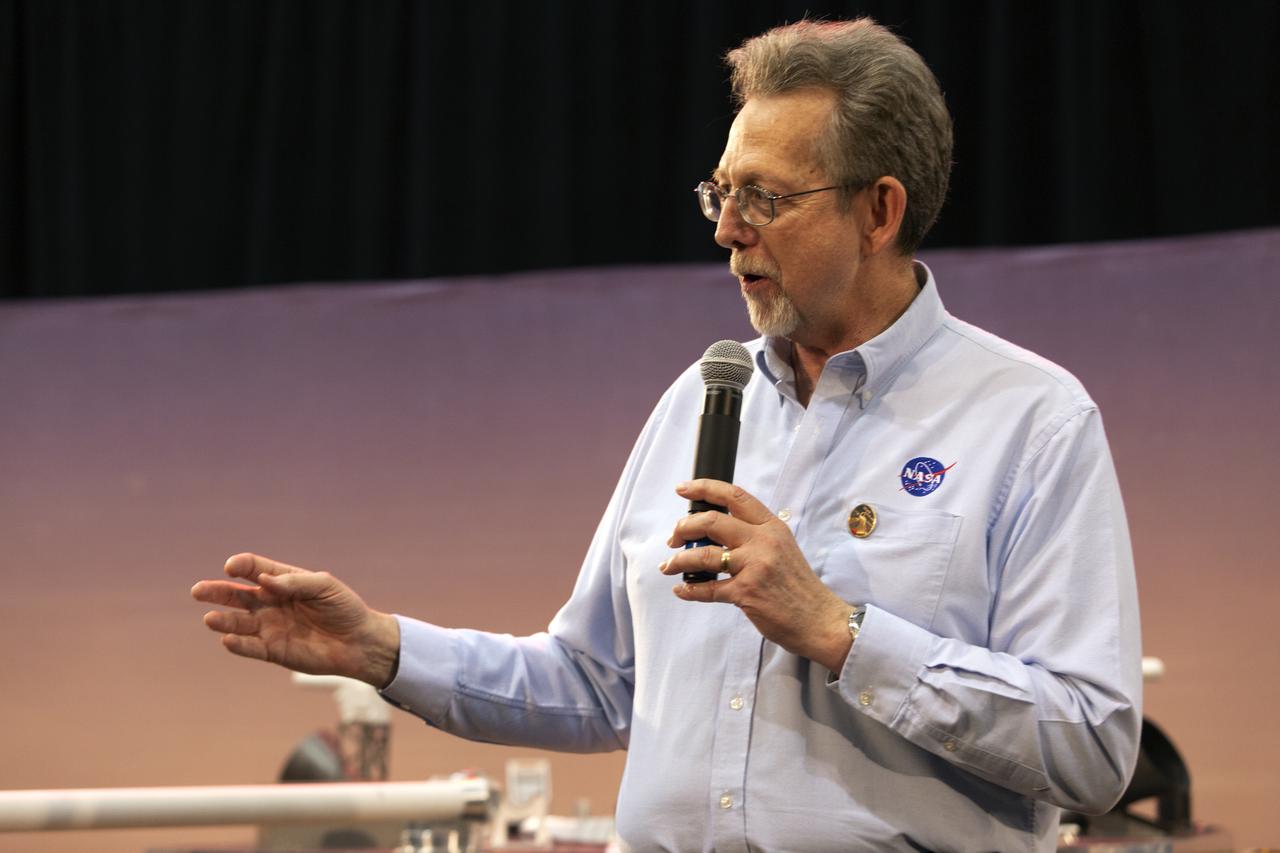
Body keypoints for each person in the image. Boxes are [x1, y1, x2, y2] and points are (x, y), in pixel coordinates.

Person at [193, 18, 1141, 852]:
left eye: (766, 198)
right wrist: (386, 650)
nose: (727, 231)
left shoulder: (1031, 421)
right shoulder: (699, 398)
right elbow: (597, 682)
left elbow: (1095, 745)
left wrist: (839, 631)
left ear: (879, 211)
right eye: (720, 193)